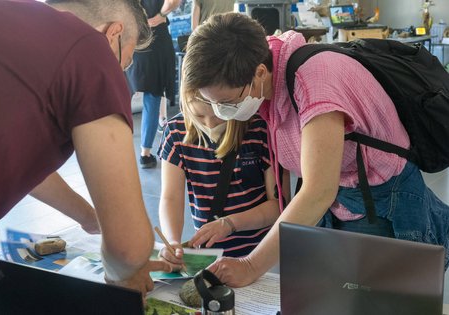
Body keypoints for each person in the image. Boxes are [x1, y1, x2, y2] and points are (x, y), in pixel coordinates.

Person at [182, 13, 449, 287]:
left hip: (381, 201)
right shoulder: (267, 64)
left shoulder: (316, 84)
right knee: (335, 291)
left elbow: (318, 191)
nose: (220, 114)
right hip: (344, 197)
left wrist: (250, 265)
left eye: (226, 102)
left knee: (375, 296)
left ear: (259, 73)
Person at [0, 0, 171, 299]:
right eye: (124, 65)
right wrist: (125, 278)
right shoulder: (91, 47)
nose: (121, 77)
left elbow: (16, 160)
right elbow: (128, 250)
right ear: (113, 33)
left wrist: (92, 218)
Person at [156, 86, 283, 270]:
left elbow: (278, 206)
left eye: (217, 116)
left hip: (260, 254)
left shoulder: (259, 128)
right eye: (198, 116)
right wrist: (172, 241)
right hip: (209, 254)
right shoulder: (175, 131)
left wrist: (230, 223)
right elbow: (170, 197)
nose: (209, 124)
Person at [126, 0, 180, 169]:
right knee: (153, 96)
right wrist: (160, 15)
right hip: (156, 39)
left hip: (131, 39)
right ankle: (145, 154)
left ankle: (115, 144)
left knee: (124, 93)